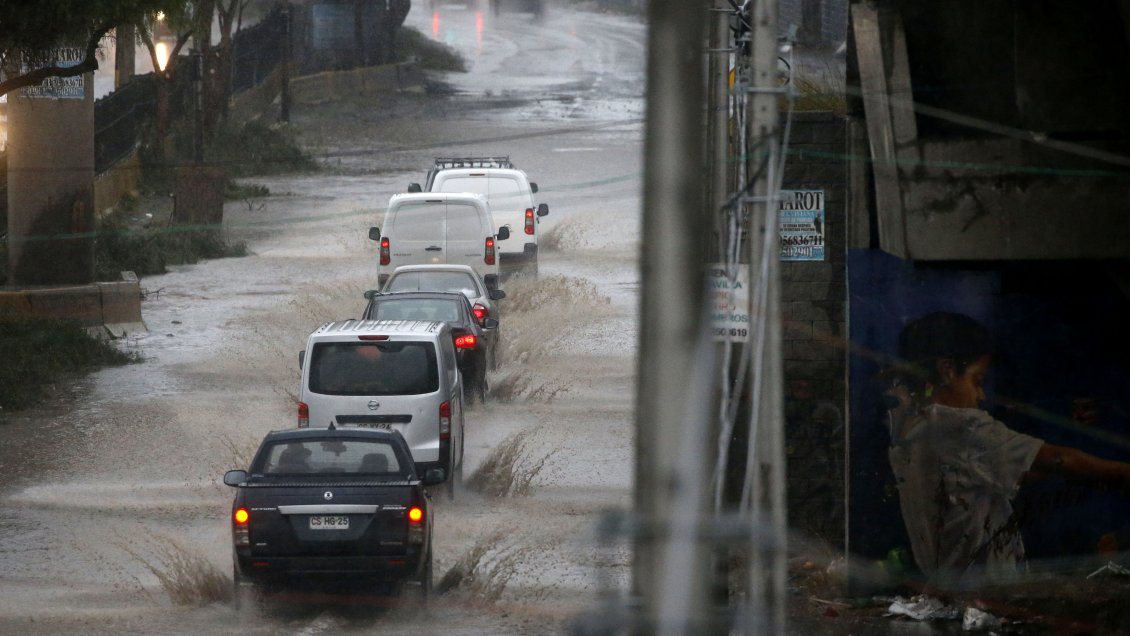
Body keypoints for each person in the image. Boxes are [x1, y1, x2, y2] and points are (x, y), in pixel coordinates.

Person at [883, 311, 1130, 584]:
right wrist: (1122, 472)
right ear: (948, 370)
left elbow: (1012, 471)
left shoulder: (910, 428)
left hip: (947, 585)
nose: (981, 395)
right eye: (977, 381)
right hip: (985, 590)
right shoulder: (960, 426)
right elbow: (1060, 459)